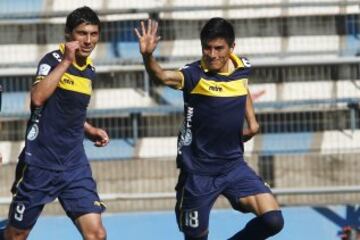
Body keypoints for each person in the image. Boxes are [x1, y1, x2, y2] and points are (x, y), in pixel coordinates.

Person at [134, 18, 284, 240]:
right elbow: (162, 76)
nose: (212, 54)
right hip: (198, 173)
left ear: (232, 48)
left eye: (218, 48)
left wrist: (252, 122)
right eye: (207, 48)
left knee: (273, 221)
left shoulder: (242, 67)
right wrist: (148, 56)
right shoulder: (194, 75)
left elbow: (242, 88)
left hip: (233, 167)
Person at [1, 6, 108, 240]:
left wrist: (89, 130)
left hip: (74, 164)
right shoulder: (53, 60)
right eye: (82, 33)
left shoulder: (89, 70)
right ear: (68, 34)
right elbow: (38, 98)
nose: (88, 40)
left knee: (96, 234)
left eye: (93, 34)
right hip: (40, 162)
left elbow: (70, 112)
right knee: (16, 235)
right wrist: (66, 62)